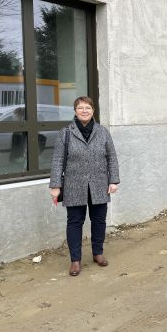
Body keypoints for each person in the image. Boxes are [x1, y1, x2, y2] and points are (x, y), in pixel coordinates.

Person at [49, 96, 120, 277]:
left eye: (87, 107)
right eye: (80, 107)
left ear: (93, 110)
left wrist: (113, 180)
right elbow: (57, 160)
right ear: (75, 111)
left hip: (99, 183)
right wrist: (55, 185)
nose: (84, 110)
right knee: (74, 222)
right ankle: (75, 260)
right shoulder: (66, 133)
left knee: (99, 220)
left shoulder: (103, 132)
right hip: (74, 185)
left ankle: (98, 253)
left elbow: (111, 157)